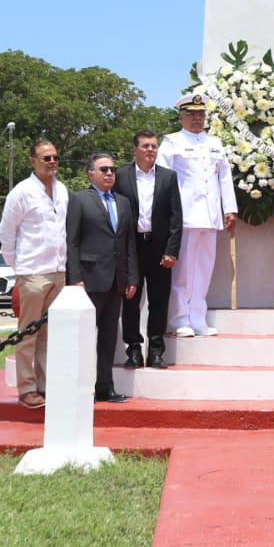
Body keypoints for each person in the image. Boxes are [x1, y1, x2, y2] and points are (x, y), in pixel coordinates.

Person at [0, 137, 68, 409]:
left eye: (55, 157)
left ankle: (46, 386)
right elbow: (7, 233)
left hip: (58, 272)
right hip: (33, 273)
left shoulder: (62, 190)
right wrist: (20, 270)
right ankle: (26, 388)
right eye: (46, 158)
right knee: (28, 334)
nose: (51, 162)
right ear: (32, 161)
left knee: (50, 334)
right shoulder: (22, 192)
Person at [158, 93, 238, 339]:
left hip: (210, 214)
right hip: (184, 214)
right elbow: (162, 179)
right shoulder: (171, 142)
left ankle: (198, 317)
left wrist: (229, 208)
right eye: (191, 115)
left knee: (204, 267)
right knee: (183, 270)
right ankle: (180, 318)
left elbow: (224, 177)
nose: (196, 119)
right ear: (181, 117)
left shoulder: (214, 143)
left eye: (200, 114)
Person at [65, 153, 140, 403]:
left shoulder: (123, 202)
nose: (109, 173)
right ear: (90, 174)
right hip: (88, 280)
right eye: (104, 169)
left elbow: (129, 243)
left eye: (112, 169)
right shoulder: (79, 200)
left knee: (108, 338)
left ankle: (105, 387)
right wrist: (75, 278)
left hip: (116, 281)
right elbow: (72, 242)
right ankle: (79, 387)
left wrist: (132, 277)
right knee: (84, 338)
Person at [115, 129, 183, 369]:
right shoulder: (121, 176)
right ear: (135, 149)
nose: (151, 150)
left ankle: (155, 351)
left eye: (154, 146)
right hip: (131, 248)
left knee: (159, 301)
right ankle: (133, 350)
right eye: (146, 146)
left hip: (159, 249)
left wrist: (172, 250)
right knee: (131, 300)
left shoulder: (168, 177)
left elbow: (176, 217)